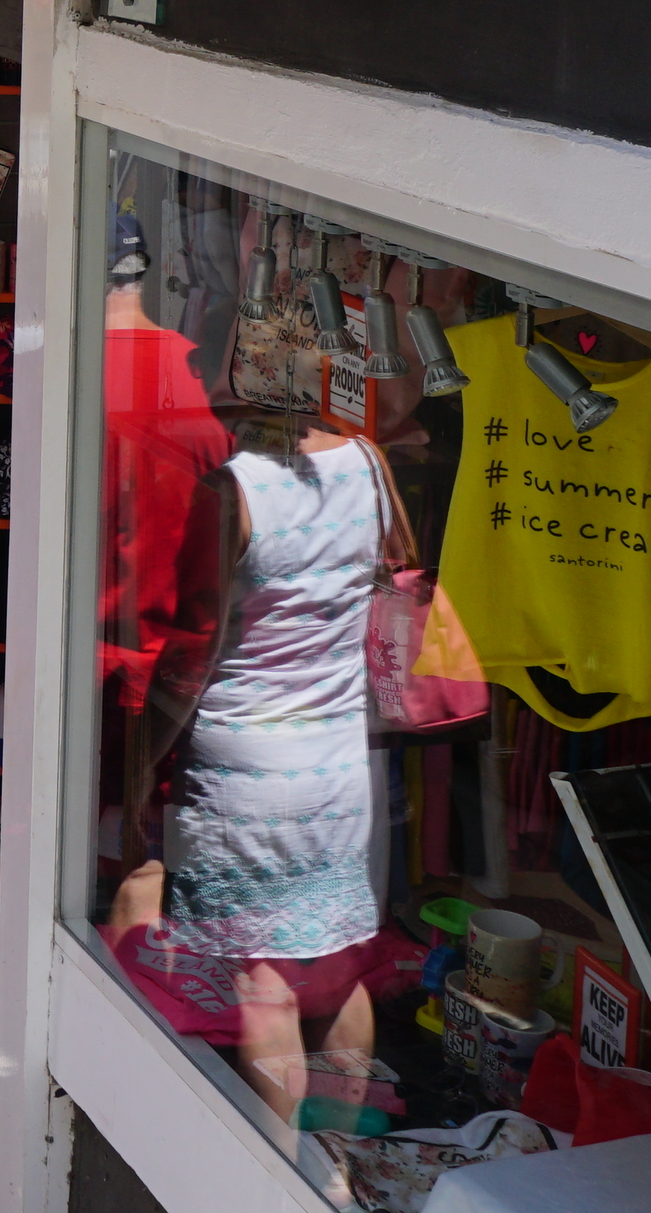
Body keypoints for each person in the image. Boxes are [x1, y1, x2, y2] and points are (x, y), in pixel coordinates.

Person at [116, 408, 390, 1136]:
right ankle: (332, 1161)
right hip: (336, 759)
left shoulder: (230, 489)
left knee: (264, 983)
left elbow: (192, 653)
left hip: (248, 773)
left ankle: (272, 1173)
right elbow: (394, 579)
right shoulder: (370, 461)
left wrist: (143, 759)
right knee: (335, 970)